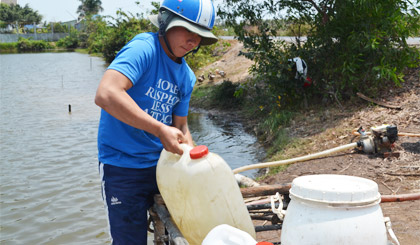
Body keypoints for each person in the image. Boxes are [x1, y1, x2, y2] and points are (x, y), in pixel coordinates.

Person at [94, 0, 218, 243]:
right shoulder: (144, 48)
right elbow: (106, 93)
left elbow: (181, 125)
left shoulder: (187, 77)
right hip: (123, 166)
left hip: (165, 166)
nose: (193, 41)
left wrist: (193, 158)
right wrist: (160, 129)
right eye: (188, 30)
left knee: (183, 230)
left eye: (200, 36)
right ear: (166, 22)